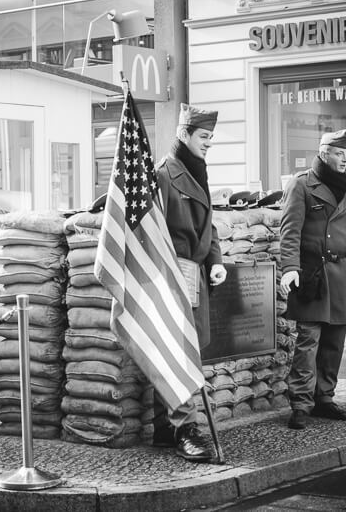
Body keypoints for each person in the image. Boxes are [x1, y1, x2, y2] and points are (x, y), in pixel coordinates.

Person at [279, 129, 346, 430]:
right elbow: (289, 232)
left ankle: (324, 398)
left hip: (341, 276)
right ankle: (301, 404)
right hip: (313, 274)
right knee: (308, 341)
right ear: (324, 151)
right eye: (339, 153)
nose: (344, 159)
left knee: (334, 343)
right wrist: (289, 267)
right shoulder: (301, 185)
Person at [153, 103, 228, 462]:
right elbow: (152, 232)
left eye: (211, 137)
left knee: (187, 351)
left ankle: (165, 427)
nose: (209, 143)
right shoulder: (165, 174)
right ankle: (184, 428)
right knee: (179, 354)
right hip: (172, 275)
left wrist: (215, 260)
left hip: (194, 274)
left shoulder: (197, 171)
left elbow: (208, 225)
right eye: (204, 136)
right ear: (184, 134)